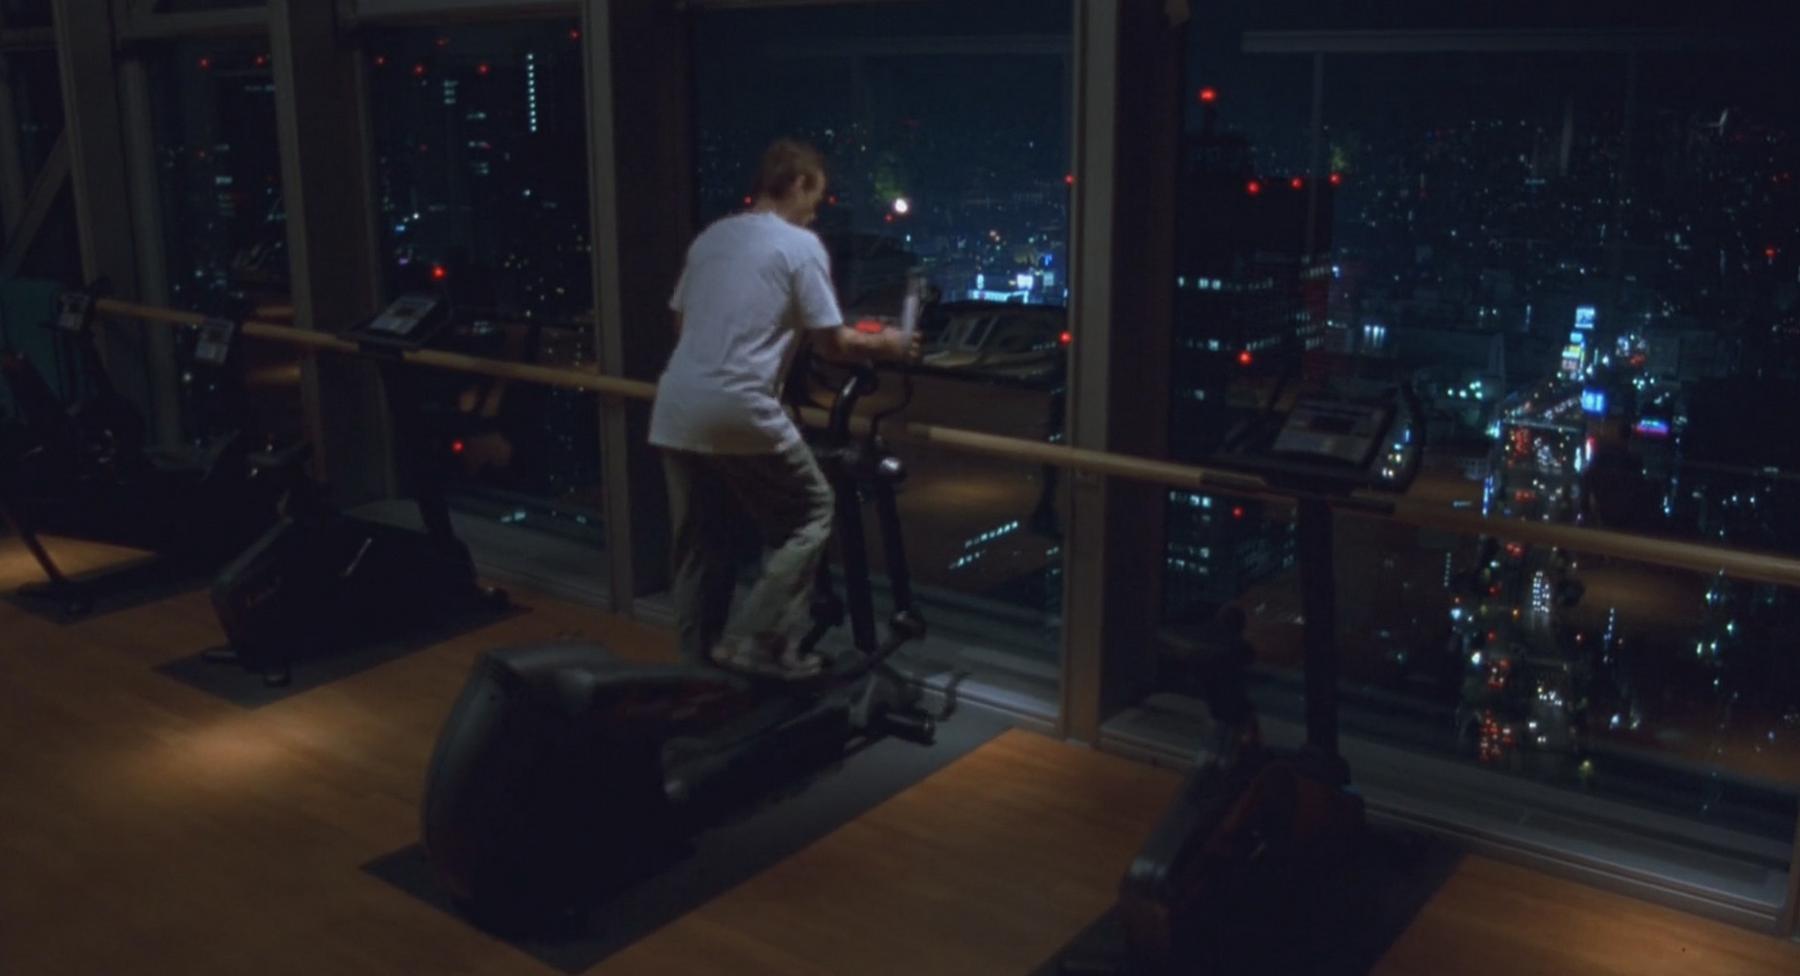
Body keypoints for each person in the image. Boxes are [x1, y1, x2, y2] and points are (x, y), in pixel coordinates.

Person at [651, 139, 921, 680]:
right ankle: (757, 642)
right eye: (815, 197)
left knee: (700, 546)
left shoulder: (714, 238)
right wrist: (890, 344)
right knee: (810, 513)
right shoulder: (799, 247)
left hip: (676, 407)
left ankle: (694, 673)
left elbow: (685, 325)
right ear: (796, 183)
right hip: (740, 405)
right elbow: (833, 344)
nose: (815, 211)